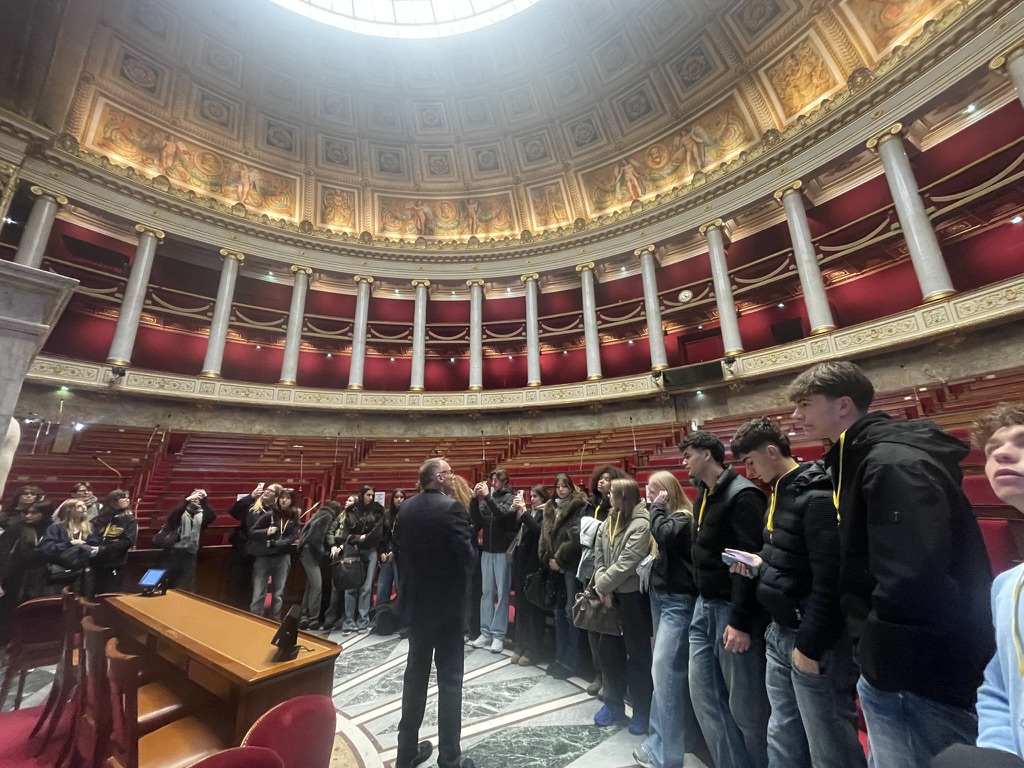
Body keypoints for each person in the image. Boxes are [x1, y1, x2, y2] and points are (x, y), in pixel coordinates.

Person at [788, 360, 995, 767]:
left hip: (915, 672)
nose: (796, 416)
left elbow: (913, 577)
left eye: (805, 404)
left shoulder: (890, 463)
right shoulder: (862, 457)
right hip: (903, 666)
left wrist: (877, 657)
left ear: (843, 405)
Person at [728, 418, 865, 768]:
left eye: (751, 462)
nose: (750, 472)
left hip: (812, 639)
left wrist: (809, 645)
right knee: (782, 733)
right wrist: (759, 564)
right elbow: (788, 557)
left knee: (828, 744)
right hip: (779, 629)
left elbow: (829, 580)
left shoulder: (816, 497)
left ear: (772, 452)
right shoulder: (778, 492)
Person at [681, 430, 769, 768]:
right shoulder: (703, 493)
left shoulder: (743, 495)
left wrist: (740, 620)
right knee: (706, 700)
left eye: (688, 455)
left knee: (746, 710)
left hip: (731, 610)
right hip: (703, 606)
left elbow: (748, 563)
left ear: (707, 454)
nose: (684, 462)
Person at [394, 458, 476, 768]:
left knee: (414, 677)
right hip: (447, 609)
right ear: (438, 478)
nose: (453, 476)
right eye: (449, 472)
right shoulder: (451, 509)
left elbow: (401, 551)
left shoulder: (406, 508)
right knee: (450, 681)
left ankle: (405, 754)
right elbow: (468, 558)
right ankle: (450, 758)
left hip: (417, 606)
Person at [634, 470, 703, 768]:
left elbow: (664, 536)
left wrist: (657, 508)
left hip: (678, 600)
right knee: (662, 673)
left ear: (668, 491)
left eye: (654, 490)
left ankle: (667, 755)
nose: (649, 496)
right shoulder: (664, 517)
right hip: (660, 597)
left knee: (666, 672)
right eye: (648, 491)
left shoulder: (682, 518)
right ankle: (660, 741)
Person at [971, 403, 1024, 761]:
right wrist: (999, 752)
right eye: (991, 450)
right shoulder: (1005, 585)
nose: (1002, 453)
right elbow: (999, 687)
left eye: (1022, 442)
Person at [591, 477, 654, 735]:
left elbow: (628, 562)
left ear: (623, 497)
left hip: (632, 598)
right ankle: (613, 704)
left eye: (612, 493)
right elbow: (598, 556)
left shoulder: (641, 524)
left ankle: (642, 711)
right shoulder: (608, 521)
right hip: (609, 596)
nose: (608, 496)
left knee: (638, 656)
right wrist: (603, 586)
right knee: (609, 653)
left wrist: (602, 585)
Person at [581, 464, 630, 697]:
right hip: (591, 569)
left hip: (613, 576)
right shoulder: (590, 505)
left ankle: (612, 679)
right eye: (600, 478)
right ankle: (598, 673)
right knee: (593, 623)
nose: (602, 482)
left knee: (610, 627)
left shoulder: (622, 511)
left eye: (608, 479)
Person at [539, 472, 588, 679]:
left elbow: (575, 537)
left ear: (571, 487)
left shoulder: (579, 506)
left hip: (569, 565)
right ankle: (559, 657)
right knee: (558, 611)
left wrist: (559, 559)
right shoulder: (550, 507)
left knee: (570, 612)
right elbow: (545, 535)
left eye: (565, 486)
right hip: (553, 565)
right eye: (558, 486)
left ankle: (572, 661)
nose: (561, 490)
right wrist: (547, 557)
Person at [469, 469, 517, 653]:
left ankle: (498, 634)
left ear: (505, 481)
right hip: (487, 551)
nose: (493, 482)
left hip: (502, 551)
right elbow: (477, 520)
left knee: (502, 594)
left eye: (497, 480)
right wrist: (474, 499)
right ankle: (485, 632)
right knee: (486, 593)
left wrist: (487, 497)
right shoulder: (489, 499)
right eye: (492, 479)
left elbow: (501, 515)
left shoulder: (510, 498)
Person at [510, 484, 549, 667]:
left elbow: (538, 531)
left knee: (533, 609)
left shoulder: (546, 512)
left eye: (536, 496)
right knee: (520, 606)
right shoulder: (529, 512)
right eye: (531, 496)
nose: (532, 499)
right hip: (521, 563)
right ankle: (521, 643)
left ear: (543, 497)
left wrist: (524, 514)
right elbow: (515, 530)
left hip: (535, 565)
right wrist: (517, 513)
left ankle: (534, 649)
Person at [227, 483, 282, 609]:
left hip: (259, 552)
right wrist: (250, 497)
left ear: (277, 496)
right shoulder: (252, 505)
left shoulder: (277, 512)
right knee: (235, 582)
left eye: (271, 491)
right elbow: (234, 512)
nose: (267, 491)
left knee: (252, 586)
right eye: (267, 489)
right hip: (242, 549)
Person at [248, 487, 299, 619]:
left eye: (287, 498)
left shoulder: (294, 516)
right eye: (282, 497)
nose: (284, 500)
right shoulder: (270, 514)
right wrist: (266, 532)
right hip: (264, 556)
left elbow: (294, 534)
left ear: (292, 501)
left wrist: (283, 542)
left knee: (278, 593)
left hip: (282, 556)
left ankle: (275, 620)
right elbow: (252, 531)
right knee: (259, 592)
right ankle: (255, 618)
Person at [341, 485, 384, 632]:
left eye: (372, 495)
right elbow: (346, 534)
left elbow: (377, 533)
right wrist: (359, 538)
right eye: (368, 495)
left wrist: (363, 538)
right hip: (353, 551)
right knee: (350, 587)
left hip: (370, 551)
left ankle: (363, 620)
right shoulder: (351, 510)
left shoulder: (377, 511)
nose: (370, 498)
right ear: (362, 495)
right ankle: (348, 621)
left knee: (366, 588)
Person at [159, 489, 216, 592]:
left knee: (186, 582)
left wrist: (205, 499)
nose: (196, 498)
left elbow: (211, 516)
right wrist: (187, 500)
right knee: (170, 580)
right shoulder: (181, 511)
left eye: (199, 496)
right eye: (194, 495)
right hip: (174, 549)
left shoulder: (202, 513)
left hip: (191, 551)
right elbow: (173, 517)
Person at [89, 489, 139, 595]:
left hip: (114, 562)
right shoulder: (100, 518)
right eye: (123, 497)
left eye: (127, 497)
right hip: (94, 561)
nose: (127, 500)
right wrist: (93, 546)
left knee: (108, 593)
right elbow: (91, 535)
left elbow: (127, 541)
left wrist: (103, 549)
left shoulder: (129, 520)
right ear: (113, 501)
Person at [39, 498, 94, 594]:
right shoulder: (56, 527)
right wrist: (70, 543)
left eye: (84, 505)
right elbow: (47, 548)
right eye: (79, 506)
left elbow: (94, 546)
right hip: (60, 573)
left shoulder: (89, 527)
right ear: (69, 510)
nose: (84, 508)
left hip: (82, 573)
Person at [297, 500, 336, 630]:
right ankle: (313, 618)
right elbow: (316, 537)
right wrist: (323, 552)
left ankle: (303, 616)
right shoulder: (328, 516)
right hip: (310, 552)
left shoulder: (320, 513)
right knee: (317, 586)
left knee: (310, 585)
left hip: (305, 551)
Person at [324, 495, 357, 631]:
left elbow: (353, 535)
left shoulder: (357, 517)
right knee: (335, 586)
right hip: (336, 553)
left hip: (349, 553)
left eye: (350, 500)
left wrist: (342, 547)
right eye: (347, 500)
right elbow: (331, 531)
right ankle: (330, 616)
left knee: (347, 586)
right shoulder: (340, 516)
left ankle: (344, 616)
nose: (347, 502)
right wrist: (332, 546)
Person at [377, 489, 406, 609]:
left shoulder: (406, 515)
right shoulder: (387, 515)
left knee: (400, 585)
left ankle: (400, 613)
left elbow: (405, 536)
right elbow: (382, 535)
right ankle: (380, 612)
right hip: (386, 551)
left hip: (401, 553)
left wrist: (394, 551)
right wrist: (381, 552)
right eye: (396, 497)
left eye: (401, 497)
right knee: (382, 586)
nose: (399, 500)